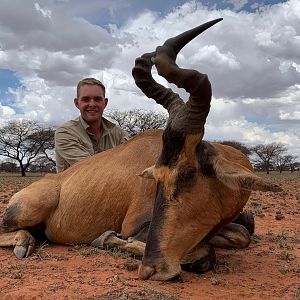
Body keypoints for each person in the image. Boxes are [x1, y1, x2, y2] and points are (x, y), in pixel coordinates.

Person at [55, 77, 129, 172]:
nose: (92, 104)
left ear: (105, 103)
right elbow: (91, 168)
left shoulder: (119, 134)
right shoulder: (65, 133)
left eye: (97, 99)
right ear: (77, 103)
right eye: (86, 99)